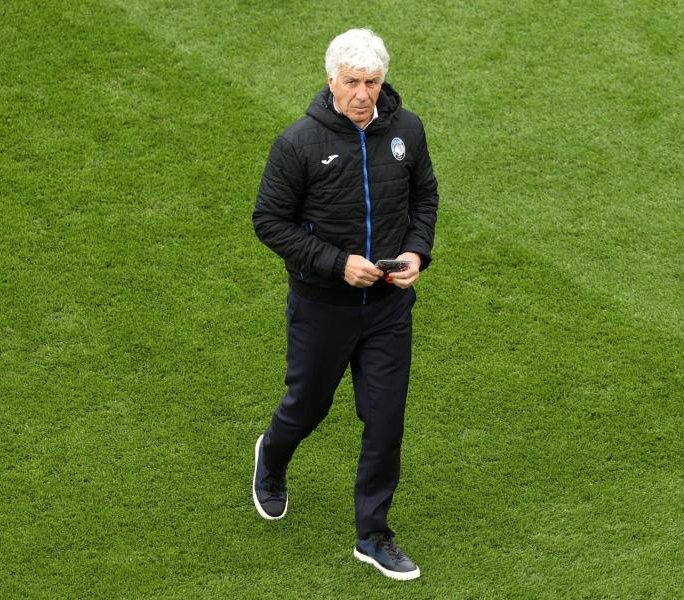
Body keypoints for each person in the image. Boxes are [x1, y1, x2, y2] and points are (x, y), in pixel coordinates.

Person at [251, 28, 438, 581]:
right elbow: (268, 222)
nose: (363, 94)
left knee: (385, 420)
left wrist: (416, 251)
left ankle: (374, 535)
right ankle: (272, 457)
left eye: (373, 82)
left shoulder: (406, 130)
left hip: (387, 307)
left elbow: (424, 194)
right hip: (322, 307)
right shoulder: (298, 144)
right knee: (307, 408)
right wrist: (337, 263)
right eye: (352, 82)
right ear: (330, 79)